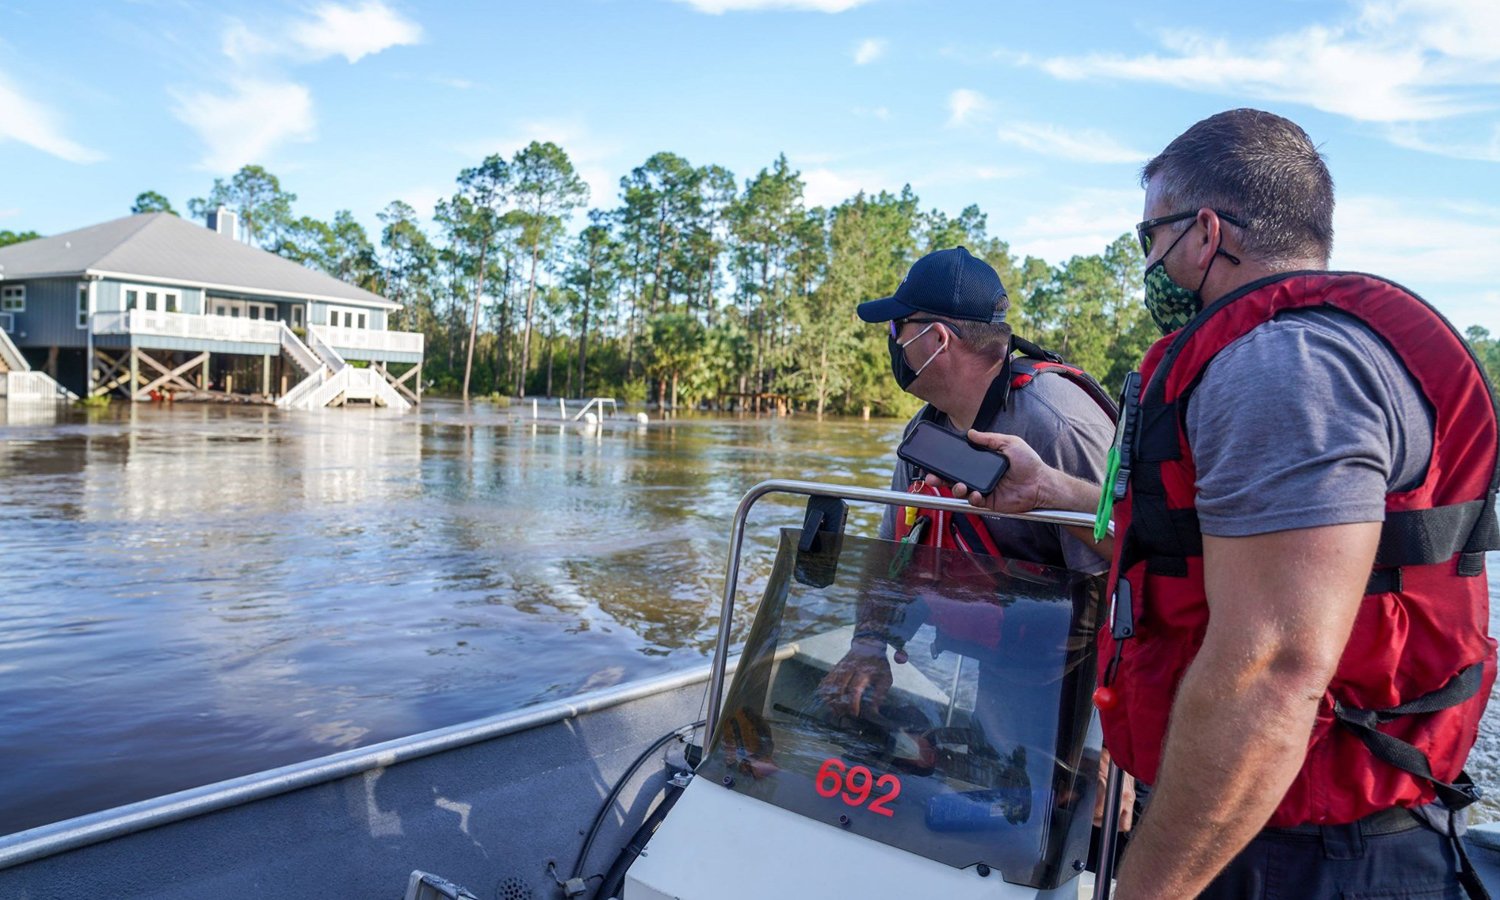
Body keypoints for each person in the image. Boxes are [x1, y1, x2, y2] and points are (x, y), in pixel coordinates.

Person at [946, 109, 1498, 899]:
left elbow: (1274, 670)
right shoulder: (1284, 358)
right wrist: (1052, 491)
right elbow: (1213, 565)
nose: (1150, 262)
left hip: (1309, 851)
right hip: (1270, 819)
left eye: (1151, 238)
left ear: (1205, 233)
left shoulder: (1282, 370)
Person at [817, 245, 1130, 830]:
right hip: (1000, 662)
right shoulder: (927, 429)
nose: (891, 338)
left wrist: (1106, 746)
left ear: (935, 338)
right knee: (1005, 802)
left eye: (898, 326)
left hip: (1082, 682)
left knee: (1071, 819)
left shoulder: (1057, 426)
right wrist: (868, 642)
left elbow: (1125, 579)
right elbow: (892, 554)